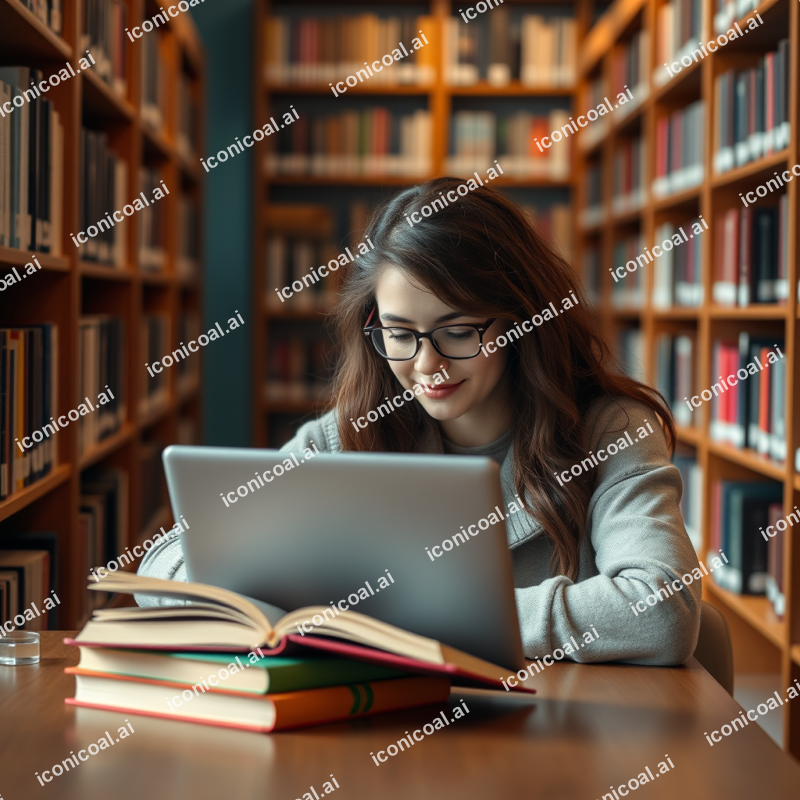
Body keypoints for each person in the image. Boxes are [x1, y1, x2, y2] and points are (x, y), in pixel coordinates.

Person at [138, 177, 701, 665]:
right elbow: (167, 562)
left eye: (457, 332)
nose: (427, 364)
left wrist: (398, 616)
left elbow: (663, 610)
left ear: (521, 321)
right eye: (400, 334)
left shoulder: (610, 431)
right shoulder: (350, 434)